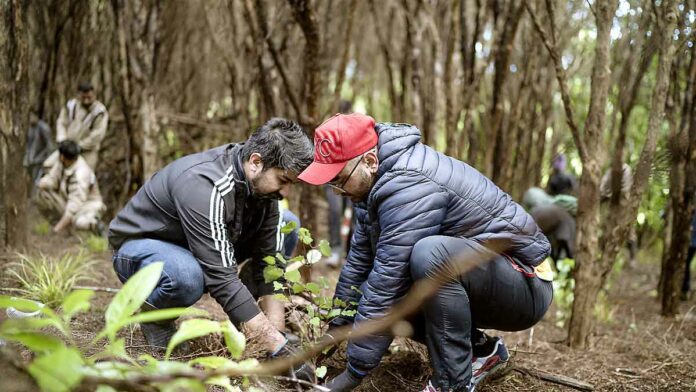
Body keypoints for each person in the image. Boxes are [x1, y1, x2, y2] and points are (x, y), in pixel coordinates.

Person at [298, 114, 553, 392]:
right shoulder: (371, 187)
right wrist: (331, 336)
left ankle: (451, 383)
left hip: (526, 283)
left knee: (427, 256)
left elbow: (388, 282)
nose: (337, 191)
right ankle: (481, 351)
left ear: (370, 161)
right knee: (395, 276)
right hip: (486, 274)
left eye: (339, 179)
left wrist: (353, 374)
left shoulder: (408, 184)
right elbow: (359, 264)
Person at [107, 118, 314, 378]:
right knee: (187, 276)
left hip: (198, 246)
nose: (286, 192)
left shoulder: (262, 190)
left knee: (288, 225)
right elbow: (221, 277)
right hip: (140, 249)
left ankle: (252, 314)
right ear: (256, 162)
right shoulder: (205, 184)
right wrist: (280, 350)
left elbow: (270, 266)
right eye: (283, 180)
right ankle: (155, 319)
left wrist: (277, 337)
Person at [35, 140, 106, 234]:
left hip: (88, 205)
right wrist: (42, 183)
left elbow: (74, 206)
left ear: (62, 156)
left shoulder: (81, 174)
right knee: (43, 194)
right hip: (68, 200)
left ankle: (94, 224)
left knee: (79, 222)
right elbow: (53, 179)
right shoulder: (65, 163)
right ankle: (63, 225)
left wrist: (56, 230)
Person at [45, 82, 109, 170]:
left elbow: (98, 134)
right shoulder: (71, 106)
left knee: (84, 176)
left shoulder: (100, 112)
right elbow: (61, 122)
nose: (86, 100)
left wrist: (80, 146)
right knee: (49, 166)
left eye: (89, 98)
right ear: (79, 95)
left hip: (87, 152)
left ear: (94, 95)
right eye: (84, 97)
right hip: (67, 148)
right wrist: (62, 140)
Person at [600, 163, 638, 265]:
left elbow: (625, 191)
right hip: (610, 205)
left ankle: (632, 259)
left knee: (629, 232)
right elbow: (602, 190)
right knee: (607, 231)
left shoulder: (626, 169)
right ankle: (607, 259)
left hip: (625, 205)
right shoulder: (609, 171)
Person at [23, 111, 54, 186]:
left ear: (36, 116)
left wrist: (47, 160)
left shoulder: (44, 128)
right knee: (29, 182)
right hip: (31, 161)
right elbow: (28, 145)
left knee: (37, 183)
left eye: (32, 116)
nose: (30, 119)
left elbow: (50, 146)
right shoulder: (30, 128)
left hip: (40, 160)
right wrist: (26, 161)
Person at [682, 210, 696, 300]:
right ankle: (685, 289)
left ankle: (686, 289)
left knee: (686, 264)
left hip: (692, 243)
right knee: (685, 265)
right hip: (690, 244)